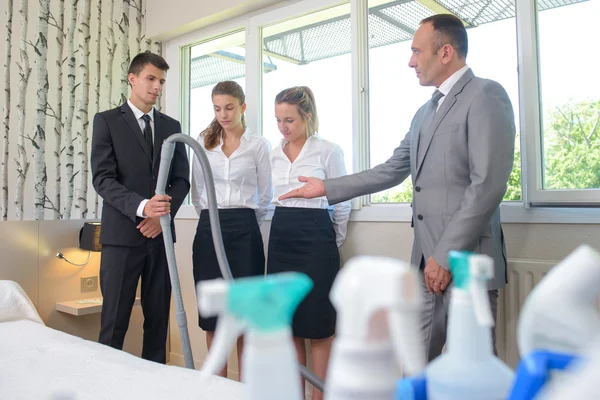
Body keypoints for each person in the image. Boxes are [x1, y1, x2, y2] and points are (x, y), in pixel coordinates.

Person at [279, 14, 516, 362]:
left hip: (466, 260)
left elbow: (488, 185)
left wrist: (446, 254)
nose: (410, 61)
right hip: (424, 262)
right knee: (416, 361)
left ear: (446, 52)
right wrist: (325, 188)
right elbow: (391, 170)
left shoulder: (486, 94)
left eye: (417, 52)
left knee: (475, 368)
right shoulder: (424, 113)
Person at [91, 51, 190, 363]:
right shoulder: (106, 121)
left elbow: (182, 180)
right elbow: (103, 179)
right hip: (122, 237)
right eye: (151, 78)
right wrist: (143, 207)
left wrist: (160, 216)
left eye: (161, 81)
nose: (156, 86)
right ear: (132, 79)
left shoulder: (171, 125)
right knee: (114, 322)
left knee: (159, 321)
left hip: (160, 238)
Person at [268, 86, 351, 400]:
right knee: (288, 325)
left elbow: (341, 203)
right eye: (278, 120)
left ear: (307, 116)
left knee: (317, 326)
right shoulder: (272, 153)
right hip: (281, 238)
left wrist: (330, 241)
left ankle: (319, 396)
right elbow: (266, 200)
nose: (283, 127)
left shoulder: (328, 150)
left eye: (289, 120)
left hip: (316, 239)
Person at [191, 81, 272, 379]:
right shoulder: (203, 141)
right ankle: (217, 389)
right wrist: (213, 220)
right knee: (213, 315)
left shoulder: (258, 145)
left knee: (244, 315)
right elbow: (198, 193)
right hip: (209, 230)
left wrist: (245, 220)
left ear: (243, 107)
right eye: (217, 108)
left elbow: (266, 196)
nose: (223, 115)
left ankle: (245, 389)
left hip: (245, 231)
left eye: (229, 108)